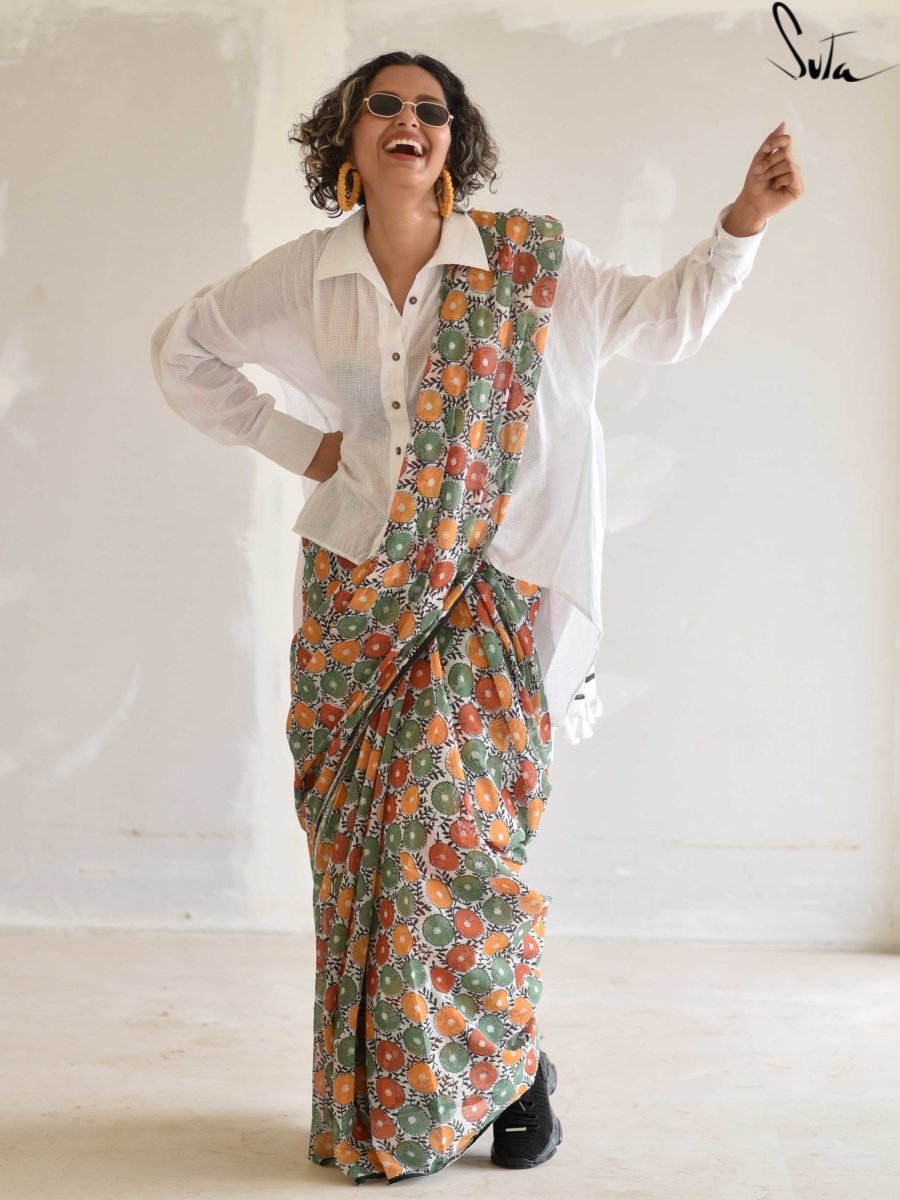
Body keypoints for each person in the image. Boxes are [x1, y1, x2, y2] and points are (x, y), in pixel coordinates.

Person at [149, 50, 803, 1186]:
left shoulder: (530, 263)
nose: (410, 121)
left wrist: (743, 220)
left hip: (491, 590)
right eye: (385, 105)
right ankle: (406, 1100)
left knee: (453, 843)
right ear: (347, 136)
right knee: (365, 856)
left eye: (433, 109)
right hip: (360, 594)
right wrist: (307, 448)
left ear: (457, 139)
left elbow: (662, 321)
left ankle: (511, 1068)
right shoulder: (309, 275)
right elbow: (184, 350)